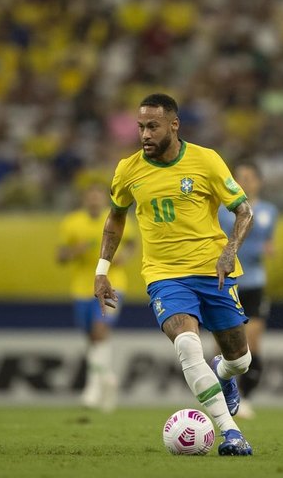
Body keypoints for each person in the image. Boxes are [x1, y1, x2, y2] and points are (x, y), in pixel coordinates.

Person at [94, 93, 255, 456]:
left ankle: (223, 373)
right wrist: (102, 269)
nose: (145, 134)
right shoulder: (128, 169)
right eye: (140, 127)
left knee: (240, 360)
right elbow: (115, 217)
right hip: (164, 275)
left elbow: (243, 210)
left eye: (152, 126)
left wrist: (230, 250)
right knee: (186, 343)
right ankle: (231, 432)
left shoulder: (206, 161)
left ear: (174, 125)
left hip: (213, 272)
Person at [58, 179, 136, 412]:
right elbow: (60, 256)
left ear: (104, 199)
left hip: (114, 284)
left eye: (97, 196)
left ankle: (92, 387)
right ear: (84, 199)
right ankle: (107, 379)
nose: (94, 200)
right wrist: (74, 251)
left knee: (100, 330)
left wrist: (126, 256)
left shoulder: (116, 217)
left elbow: (131, 244)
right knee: (91, 339)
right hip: (82, 288)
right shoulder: (72, 223)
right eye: (89, 196)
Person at [217, 161, 278, 419]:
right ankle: (224, 397)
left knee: (252, 342)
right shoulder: (221, 210)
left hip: (254, 282)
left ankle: (247, 397)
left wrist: (268, 248)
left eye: (250, 177)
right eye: (240, 177)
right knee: (225, 346)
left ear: (259, 181)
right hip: (227, 280)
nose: (245, 181)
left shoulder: (269, 211)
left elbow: (268, 241)